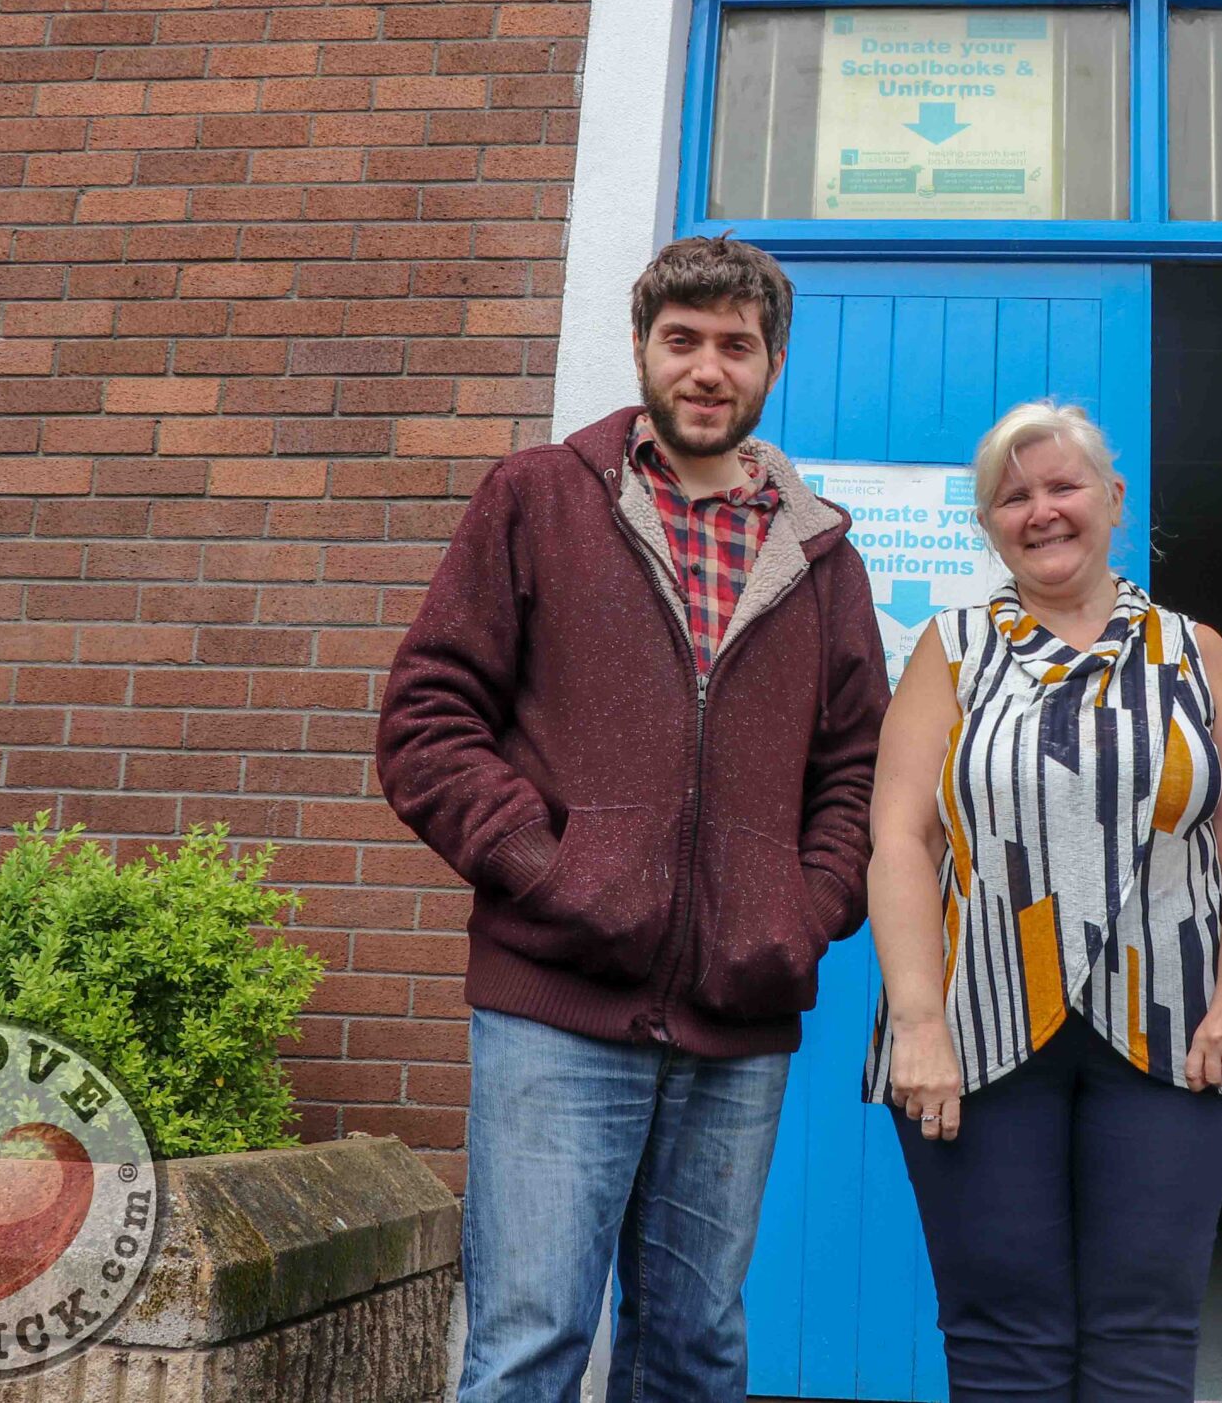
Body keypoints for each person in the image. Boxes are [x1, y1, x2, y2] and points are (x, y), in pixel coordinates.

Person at [376, 234, 889, 1403]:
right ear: (645, 351)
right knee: (526, 1346)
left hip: (739, 1015)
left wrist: (799, 914)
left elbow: (856, 767)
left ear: (771, 364)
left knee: (695, 1355)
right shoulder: (538, 499)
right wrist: (553, 874)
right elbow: (427, 719)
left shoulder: (822, 556)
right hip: (556, 1005)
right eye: (684, 341)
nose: (708, 368)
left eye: (736, 346)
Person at [863, 401, 1222, 1403]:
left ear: (1113, 498)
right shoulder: (953, 649)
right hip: (977, 1028)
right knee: (1001, 1339)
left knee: (1144, 1336)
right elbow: (901, 839)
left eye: (1062, 486)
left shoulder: (1195, 650)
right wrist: (919, 1023)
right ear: (988, 525)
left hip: (1178, 1028)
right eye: (1013, 497)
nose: (1041, 511)